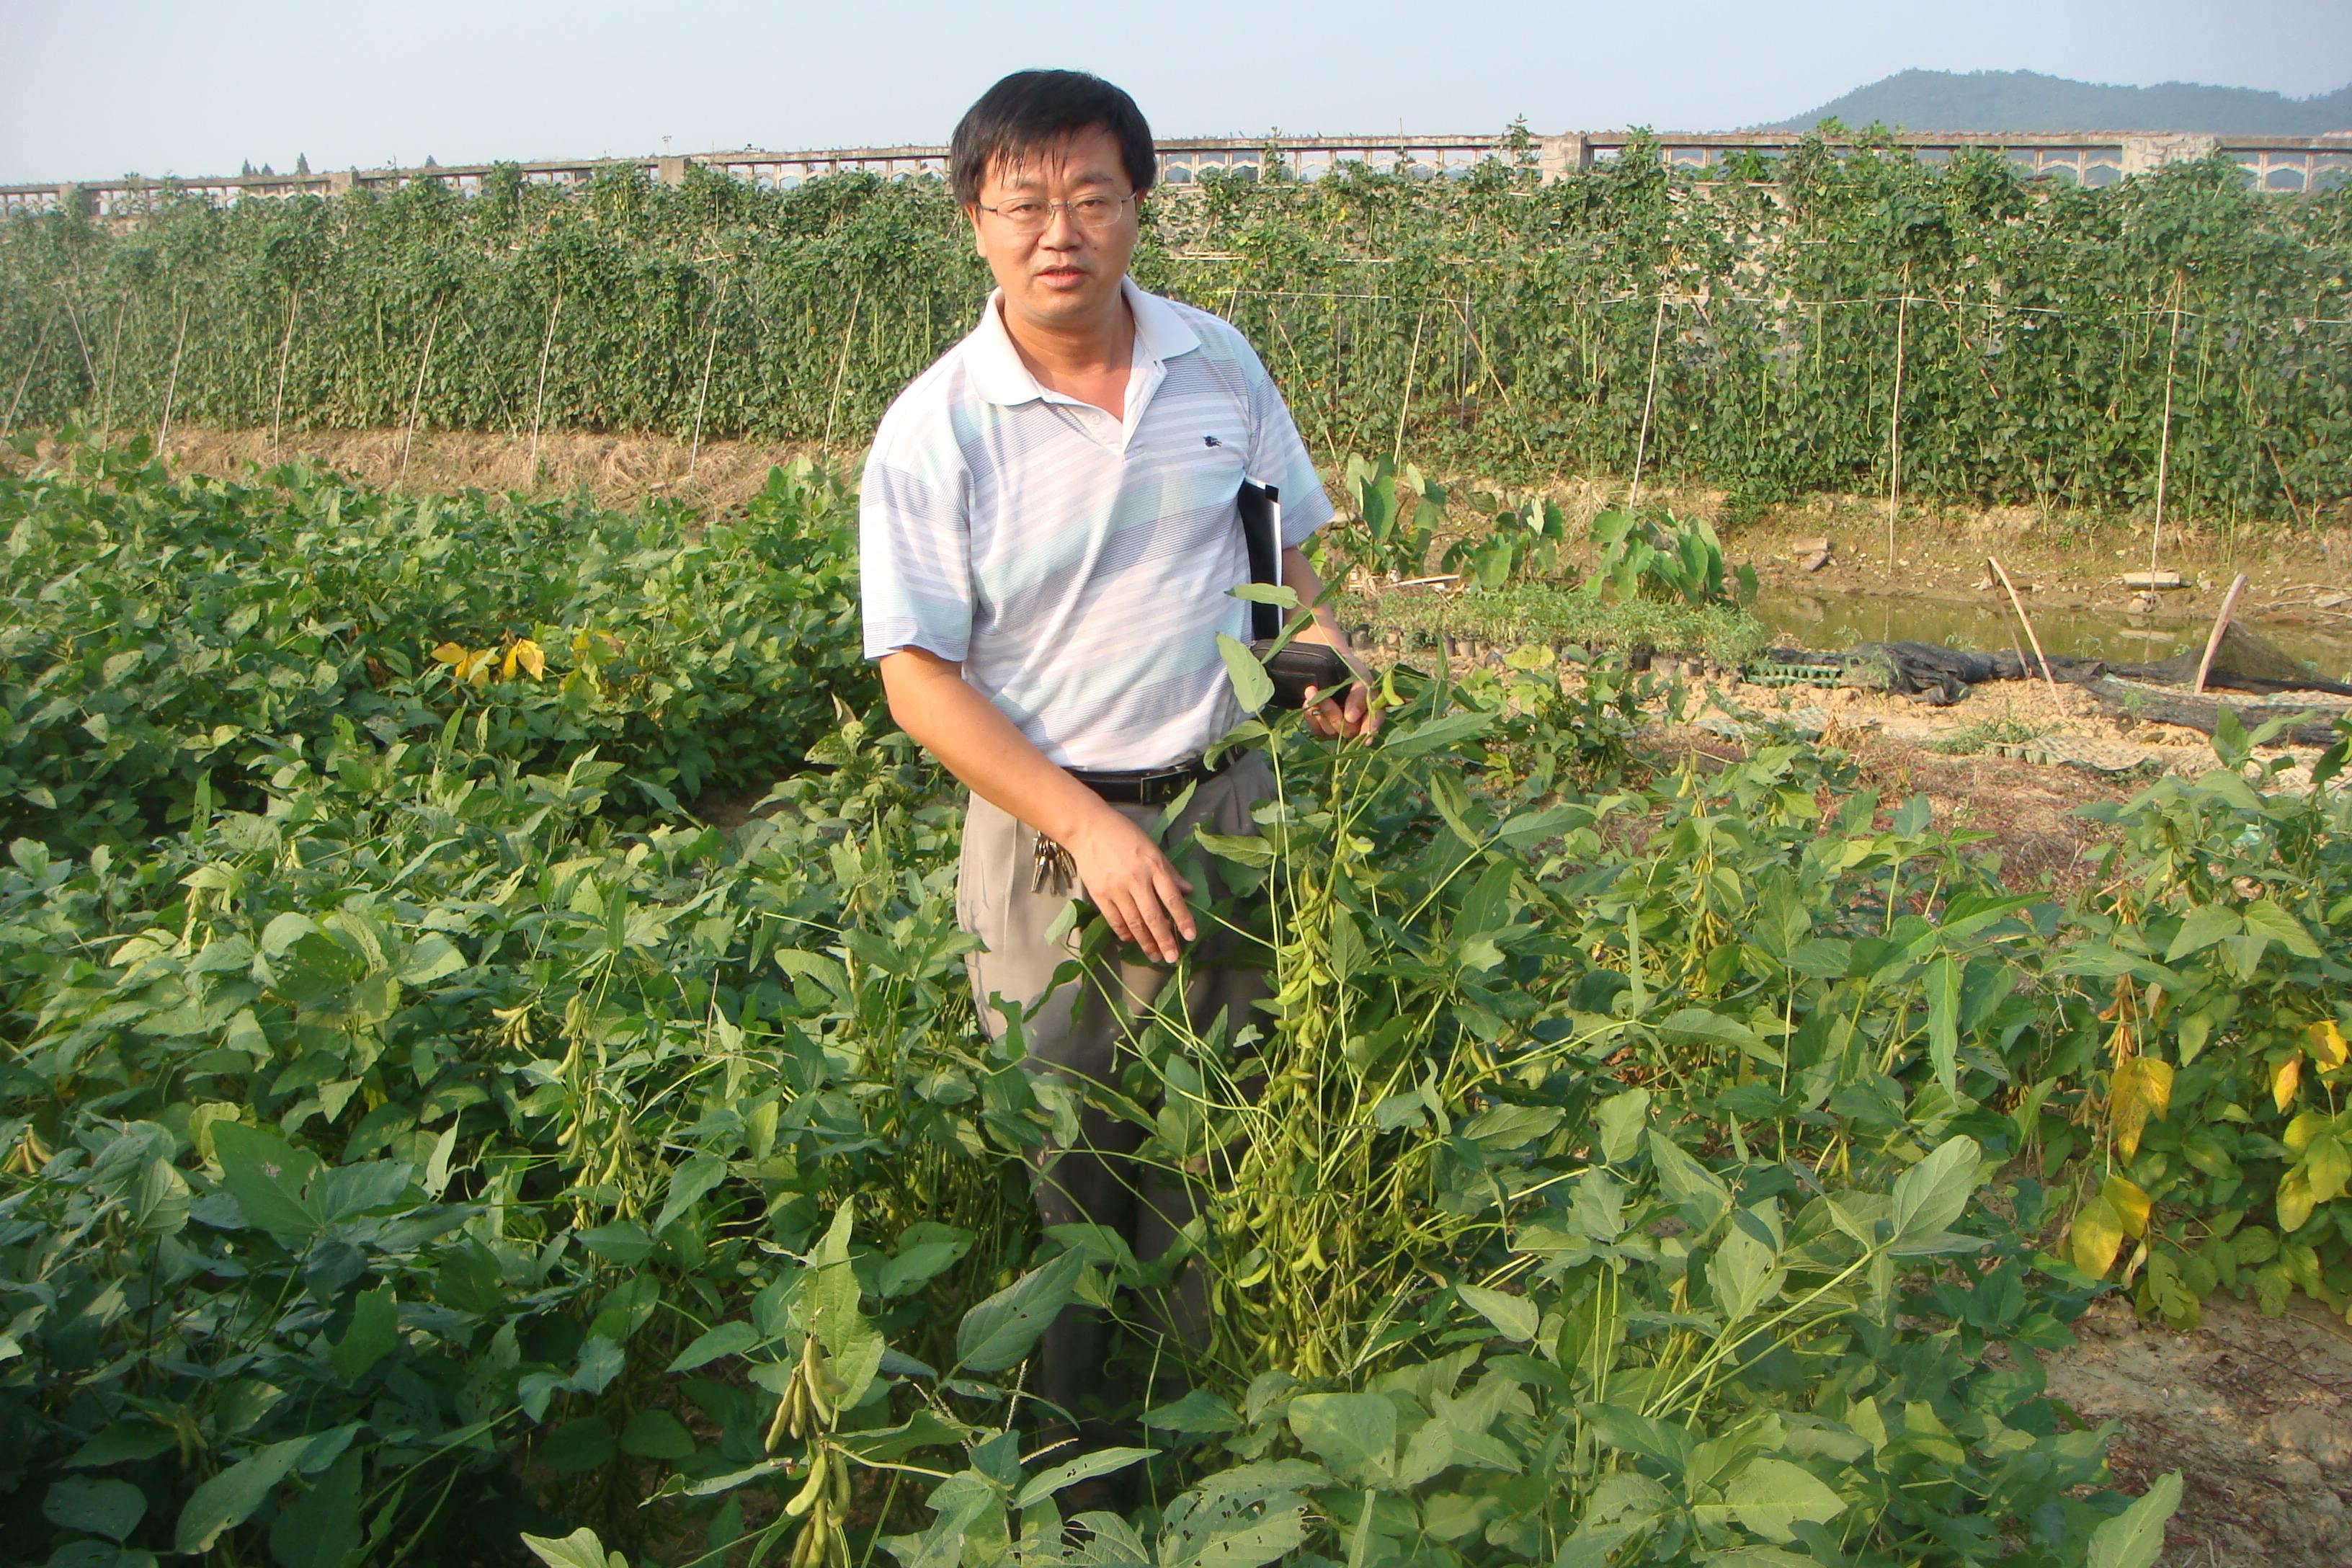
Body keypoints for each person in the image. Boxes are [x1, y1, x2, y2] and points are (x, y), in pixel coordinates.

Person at [858, 68, 1378, 1446]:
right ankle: (1071, 1471)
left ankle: (1200, 1444)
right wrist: (1087, 827)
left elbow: (1278, 554)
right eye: (1023, 203)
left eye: (1091, 196)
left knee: (1220, 1137)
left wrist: (1322, 649)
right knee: (1069, 1166)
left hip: (1226, 810)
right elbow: (917, 682)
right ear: (975, 221)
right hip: (1050, 844)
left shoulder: (1218, 362)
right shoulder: (938, 426)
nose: (1060, 231)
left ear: (1139, 203)